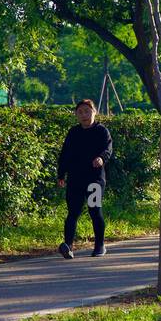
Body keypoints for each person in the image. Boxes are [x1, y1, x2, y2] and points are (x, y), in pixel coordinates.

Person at [57, 98, 113, 259]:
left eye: (87, 111)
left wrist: (101, 158)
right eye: (80, 112)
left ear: (94, 112)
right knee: (73, 212)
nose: (84, 115)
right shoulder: (73, 132)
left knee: (94, 211)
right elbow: (65, 154)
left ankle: (99, 245)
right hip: (75, 179)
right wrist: (61, 174)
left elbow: (108, 149)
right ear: (76, 115)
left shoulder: (102, 131)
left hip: (95, 179)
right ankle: (68, 246)